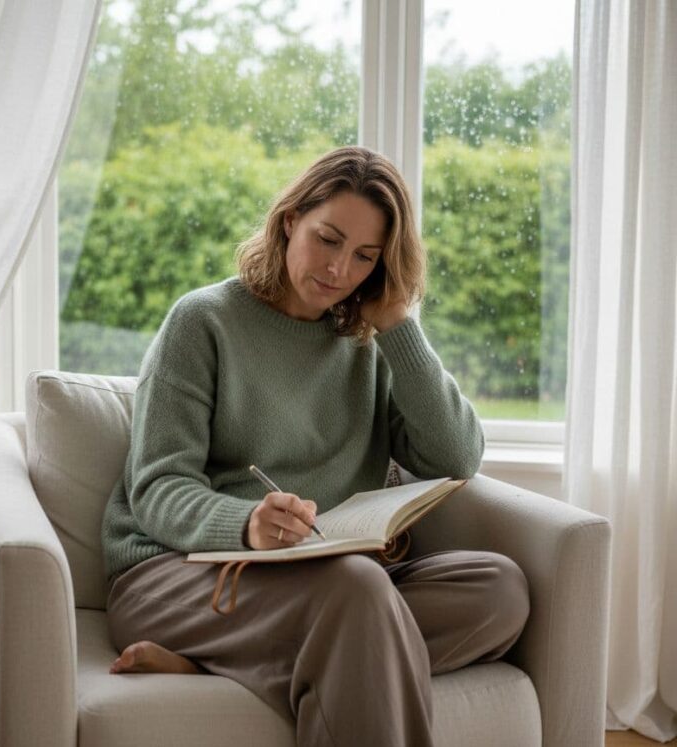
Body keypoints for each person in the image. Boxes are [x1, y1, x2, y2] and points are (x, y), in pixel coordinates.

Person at [99, 145, 530, 746]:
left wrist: (400, 328)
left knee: (498, 591)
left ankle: (220, 665)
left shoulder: (372, 342)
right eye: (327, 239)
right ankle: (274, 654)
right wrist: (247, 523)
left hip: (331, 584)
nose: (338, 269)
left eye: (364, 256)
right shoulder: (203, 321)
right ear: (288, 222)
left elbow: (456, 457)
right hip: (181, 574)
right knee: (357, 593)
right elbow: (156, 488)